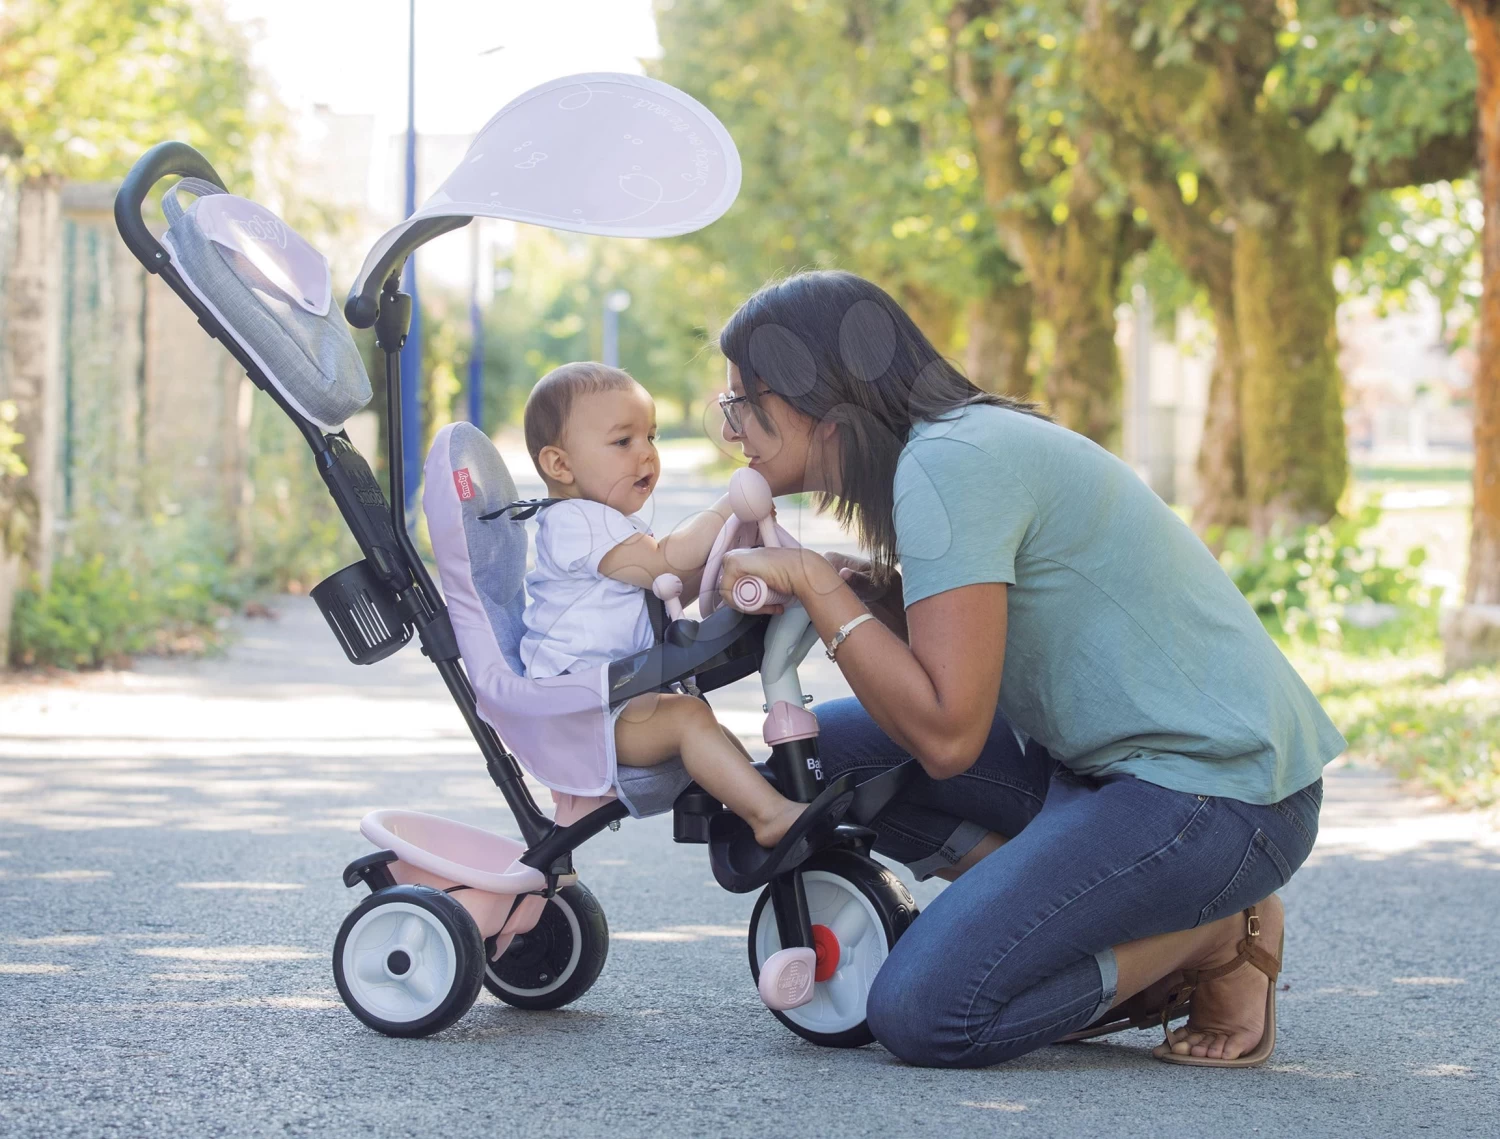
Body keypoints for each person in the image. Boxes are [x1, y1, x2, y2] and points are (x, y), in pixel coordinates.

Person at [711, 270, 1344, 1068]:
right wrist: (858, 585)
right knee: (826, 761)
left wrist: (817, 583)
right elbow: (963, 643)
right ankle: (1061, 918)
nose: (734, 432)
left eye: (743, 404)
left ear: (816, 398)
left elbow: (947, 735)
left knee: (924, 1011)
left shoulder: (951, 462)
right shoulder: (945, 451)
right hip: (1105, 771)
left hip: (1217, 795)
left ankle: (1217, 935)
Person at [518, 361, 806, 848]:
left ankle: (765, 796)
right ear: (560, 465)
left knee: (701, 720)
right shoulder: (577, 522)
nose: (647, 455)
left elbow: (665, 585)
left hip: (609, 698)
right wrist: (728, 507)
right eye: (623, 441)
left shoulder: (605, 522)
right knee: (690, 720)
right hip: (581, 714)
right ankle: (770, 814)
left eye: (650, 437)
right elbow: (664, 563)